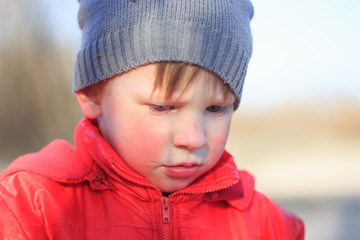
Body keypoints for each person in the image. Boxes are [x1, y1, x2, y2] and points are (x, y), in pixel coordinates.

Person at [0, 0, 304, 239]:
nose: (194, 138)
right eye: (162, 107)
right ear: (92, 95)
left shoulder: (267, 225)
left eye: (215, 109)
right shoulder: (30, 209)